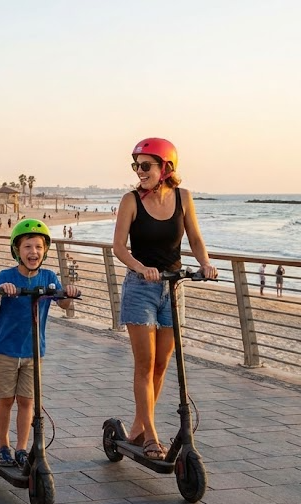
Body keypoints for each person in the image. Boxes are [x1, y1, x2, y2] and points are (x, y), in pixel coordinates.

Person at [111, 137, 217, 460]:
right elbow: (118, 248)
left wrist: (205, 264)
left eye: (146, 166)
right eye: (136, 166)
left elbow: (195, 238)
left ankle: (136, 429)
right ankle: (151, 437)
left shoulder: (184, 198)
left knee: (161, 365)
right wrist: (141, 268)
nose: (139, 172)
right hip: (140, 288)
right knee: (144, 365)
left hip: (172, 288)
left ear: (166, 167)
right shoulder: (130, 201)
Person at [0, 219, 79, 468]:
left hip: (34, 351)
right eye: (27, 246)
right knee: (6, 399)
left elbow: (64, 304)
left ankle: (22, 447)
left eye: (38, 247)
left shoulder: (48, 277)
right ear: (17, 250)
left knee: (27, 401)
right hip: (6, 349)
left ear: (45, 250)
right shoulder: (7, 276)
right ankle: (3, 444)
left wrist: (67, 293)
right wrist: (1, 290)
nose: (33, 252)